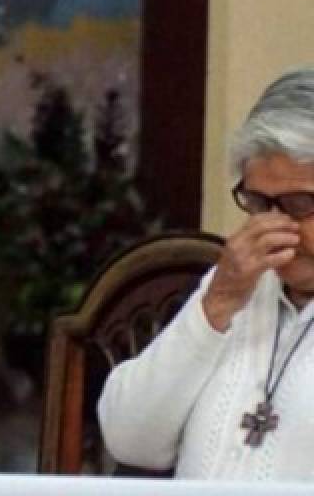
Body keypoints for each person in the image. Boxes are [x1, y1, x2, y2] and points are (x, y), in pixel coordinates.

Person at [98, 67, 314, 479]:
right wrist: (217, 303)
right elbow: (129, 438)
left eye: (300, 205)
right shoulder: (234, 290)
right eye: (257, 202)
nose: (274, 226)